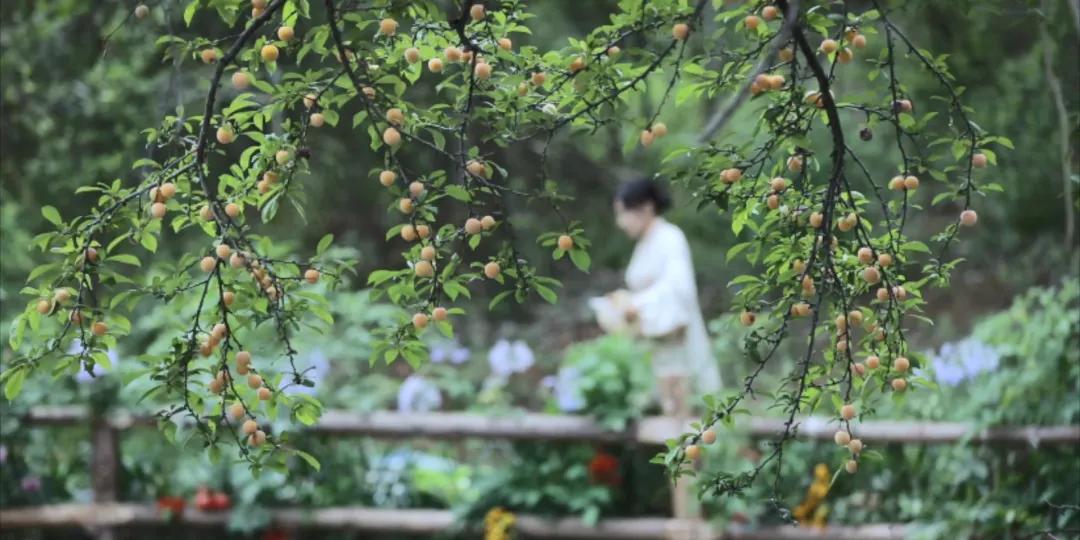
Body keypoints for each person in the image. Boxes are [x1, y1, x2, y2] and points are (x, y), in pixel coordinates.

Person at [592, 178, 720, 416]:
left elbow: (677, 288)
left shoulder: (670, 237)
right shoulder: (645, 243)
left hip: (674, 337)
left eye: (624, 213)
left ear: (646, 208)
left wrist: (636, 304)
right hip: (651, 340)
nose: (621, 223)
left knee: (685, 413)